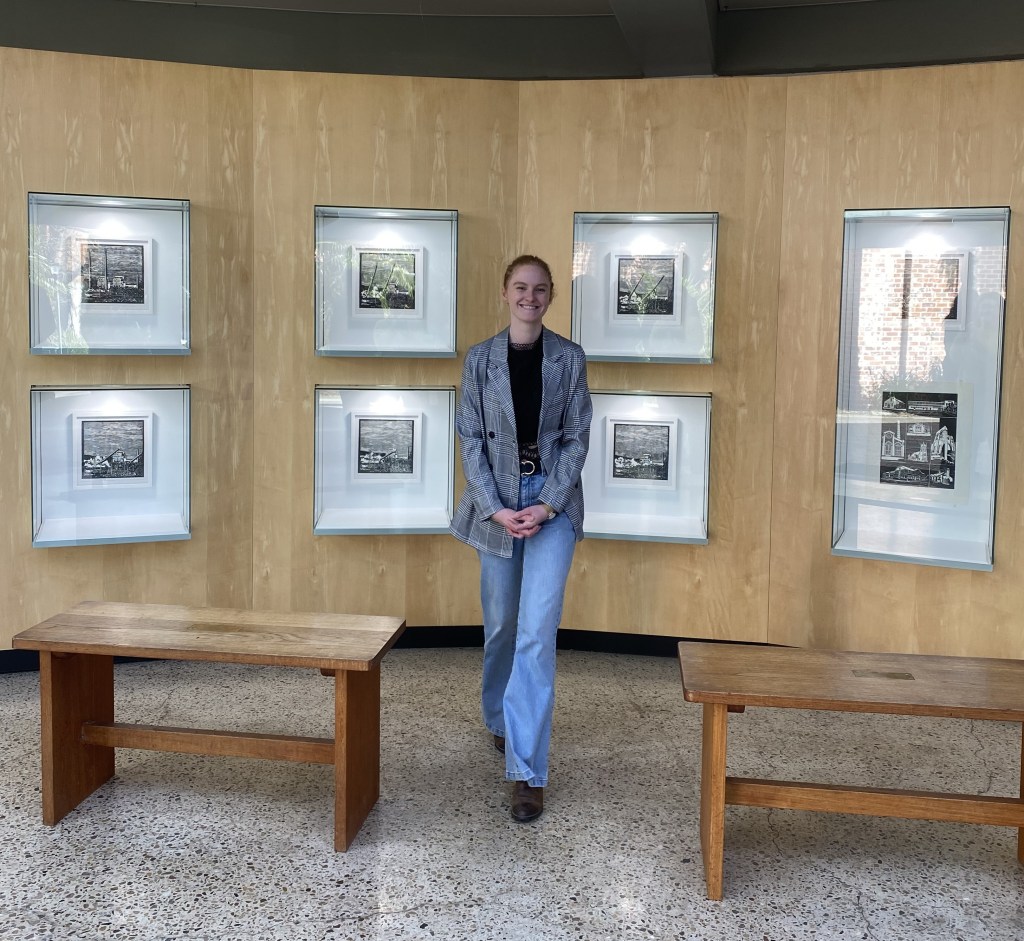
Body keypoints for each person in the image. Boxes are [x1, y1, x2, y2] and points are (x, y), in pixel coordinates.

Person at [450, 254, 592, 823]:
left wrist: (548, 502)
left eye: (540, 289)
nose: (530, 297)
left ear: (551, 296)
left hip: (553, 502)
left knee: (536, 632)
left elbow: (578, 436)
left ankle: (526, 771)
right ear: (505, 293)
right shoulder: (480, 359)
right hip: (498, 505)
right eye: (520, 287)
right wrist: (495, 508)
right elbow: (469, 439)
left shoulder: (569, 358)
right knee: (502, 627)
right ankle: (499, 718)